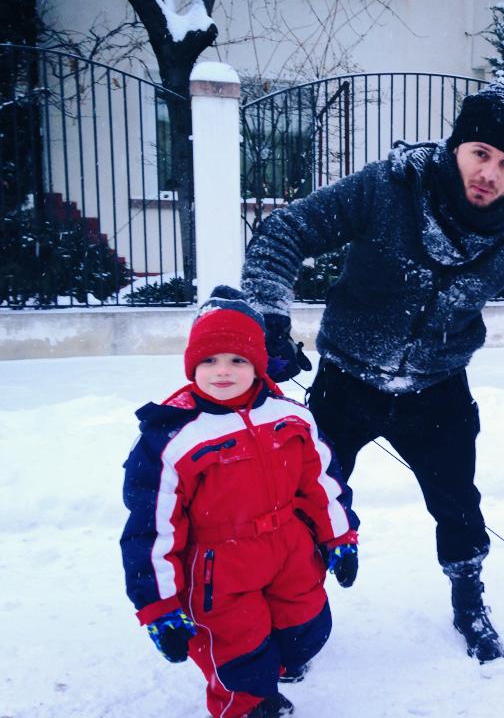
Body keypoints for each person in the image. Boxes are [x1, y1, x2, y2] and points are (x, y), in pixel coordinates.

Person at [240, 82, 504, 663]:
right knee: (308, 502)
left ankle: (468, 600)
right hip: (346, 380)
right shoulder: (388, 188)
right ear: (456, 148)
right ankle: (296, 616)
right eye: (480, 154)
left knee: (458, 506)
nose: (490, 173)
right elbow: (285, 231)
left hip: (437, 389)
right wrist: (267, 319)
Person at [120, 286, 360, 718]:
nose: (222, 371)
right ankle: (249, 704)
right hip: (219, 567)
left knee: (305, 627)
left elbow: (323, 483)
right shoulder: (172, 436)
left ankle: (281, 664)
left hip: (289, 550)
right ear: (193, 365)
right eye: (209, 360)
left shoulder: (290, 416)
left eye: (237, 360)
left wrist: (341, 538)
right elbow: (152, 530)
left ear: (259, 364)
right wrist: (159, 606)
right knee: (237, 652)